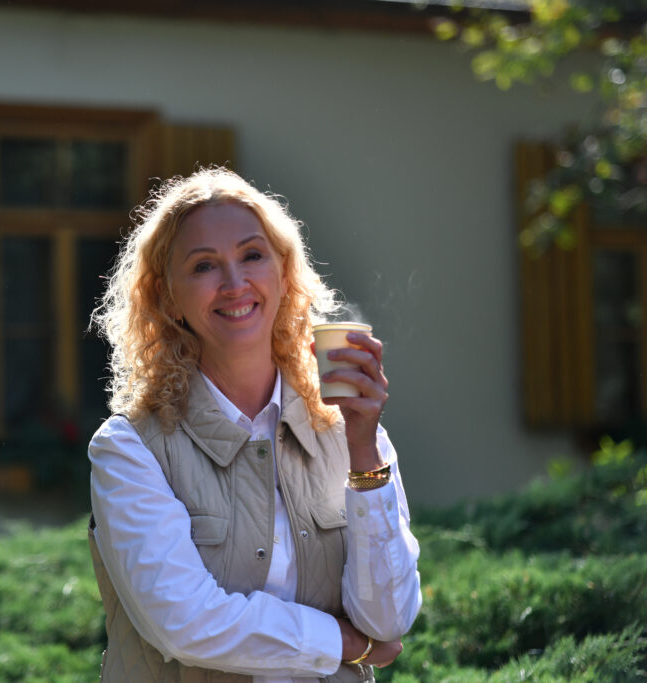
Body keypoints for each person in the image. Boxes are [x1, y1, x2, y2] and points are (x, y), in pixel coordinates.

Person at [87, 167, 421, 682]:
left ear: (284, 274)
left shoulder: (347, 429)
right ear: (167, 297)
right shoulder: (130, 448)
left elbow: (390, 620)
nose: (234, 283)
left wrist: (362, 449)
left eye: (252, 256)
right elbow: (184, 623)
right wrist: (341, 643)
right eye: (204, 265)